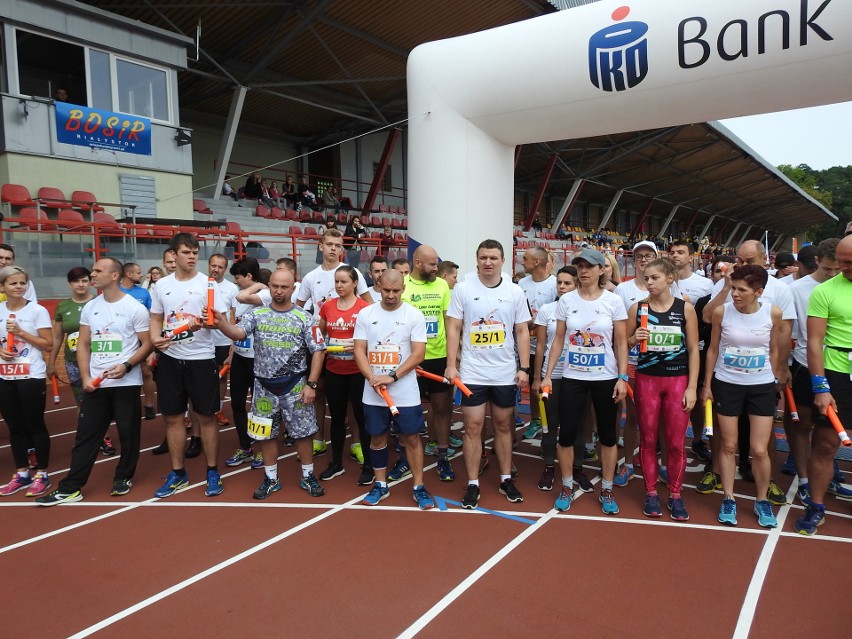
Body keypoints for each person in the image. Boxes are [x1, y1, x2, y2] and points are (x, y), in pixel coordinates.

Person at [36, 259, 152, 504]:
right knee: (86, 435)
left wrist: (126, 366)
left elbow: (148, 343)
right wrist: (86, 376)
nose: (92, 274)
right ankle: (71, 487)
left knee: (128, 433)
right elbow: (84, 344)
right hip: (97, 383)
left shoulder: (134, 308)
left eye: (98, 271)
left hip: (125, 383)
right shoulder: (91, 307)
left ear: (114, 276)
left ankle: (123, 476)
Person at [211, 269, 327, 500]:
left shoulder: (305, 317)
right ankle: (271, 478)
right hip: (264, 387)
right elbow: (237, 333)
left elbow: (318, 351)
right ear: (269, 286)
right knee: (266, 435)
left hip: (295, 386)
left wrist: (311, 385)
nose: (279, 291)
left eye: (284, 287)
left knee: (304, 435)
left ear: (293, 289)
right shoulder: (257, 314)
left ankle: (307, 475)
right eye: (275, 286)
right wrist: (222, 322)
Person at [702, 240, 793, 504]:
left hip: (761, 385)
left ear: (759, 292)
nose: (736, 294)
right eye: (734, 289)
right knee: (728, 445)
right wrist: (707, 384)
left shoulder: (773, 310)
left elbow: (775, 346)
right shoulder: (722, 310)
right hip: (727, 382)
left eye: (742, 290)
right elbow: (713, 349)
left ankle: (762, 499)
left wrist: (777, 372)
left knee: (759, 448)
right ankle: (728, 498)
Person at [541, 249, 628, 513]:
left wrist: (622, 377)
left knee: (608, 436)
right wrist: (547, 375)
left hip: (606, 377)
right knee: (566, 434)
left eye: (589, 266)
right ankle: (567, 486)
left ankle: (608, 489)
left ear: (602, 270)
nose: (583, 271)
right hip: (573, 377)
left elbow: (621, 341)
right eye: (579, 266)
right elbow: (558, 340)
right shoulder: (566, 301)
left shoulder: (613, 301)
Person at [445, 239, 531, 508]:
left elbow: (522, 331)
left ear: (503, 261)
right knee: (472, 427)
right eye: (483, 257)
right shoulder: (463, 289)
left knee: (504, 426)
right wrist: (451, 364)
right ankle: (473, 483)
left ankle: (506, 478)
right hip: (472, 372)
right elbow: (454, 329)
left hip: (504, 372)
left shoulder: (514, 291)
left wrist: (524, 368)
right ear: (477, 259)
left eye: (493, 257)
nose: (488, 262)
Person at [149, 233, 228, 498]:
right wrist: (154, 338)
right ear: (174, 254)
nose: (192, 256)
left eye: (195, 252)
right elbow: (156, 318)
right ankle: (178, 472)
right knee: (173, 418)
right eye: (186, 252)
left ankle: (212, 470)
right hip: (171, 359)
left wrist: (206, 321)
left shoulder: (208, 284)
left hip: (201, 359)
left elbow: (219, 320)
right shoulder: (161, 285)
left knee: (206, 417)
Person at [353, 269, 434, 508]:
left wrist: (392, 376)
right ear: (378, 286)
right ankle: (380, 484)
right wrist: (372, 377)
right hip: (373, 391)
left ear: (403, 289)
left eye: (396, 291)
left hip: (405, 391)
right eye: (386, 290)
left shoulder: (414, 315)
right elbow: (359, 349)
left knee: (411, 437)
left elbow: (419, 353)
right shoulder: (366, 314)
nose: (391, 295)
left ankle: (419, 486)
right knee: (377, 438)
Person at [628, 259, 699, 520]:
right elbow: (623, 343)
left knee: (675, 442)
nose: (650, 283)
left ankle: (676, 496)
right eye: (646, 278)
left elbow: (693, 349)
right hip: (647, 380)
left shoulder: (685, 309)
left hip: (677, 380)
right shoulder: (638, 308)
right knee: (647, 440)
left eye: (655, 277)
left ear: (670, 278)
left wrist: (692, 387)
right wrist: (633, 339)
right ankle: (650, 493)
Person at [795, 235, 852, 534]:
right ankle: (816, 506)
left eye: (850, 262)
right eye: (842, 262)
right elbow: (814, 341)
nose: (844, 268)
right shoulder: (825, 291)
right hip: (837, 373)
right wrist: (820, 386)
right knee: (826, 444)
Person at [296, 227, 371, 456]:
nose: (334, 249)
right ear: (321, 246)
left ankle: (357, 443)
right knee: (318, 393)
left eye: (338, 246)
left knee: (352, 398)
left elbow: (369, 308)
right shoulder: (311, 277)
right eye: (329, 244)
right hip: (322, 346)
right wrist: (310, 332)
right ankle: (318, 439)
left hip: (351, 347)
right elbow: (298, 309)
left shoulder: (353, 272)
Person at [784, 239, 844, 504]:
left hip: (837, 368)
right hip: (802, 365)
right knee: (801, 424)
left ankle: (827, 473)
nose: (833, 274)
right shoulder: (797, 289)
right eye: (829, 268)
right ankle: (805, 479)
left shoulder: (844, 285)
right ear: (817, 261)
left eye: (838, 269)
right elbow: (787, 333)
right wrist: (783, 367)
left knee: (829, 431)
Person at [401, 245, 456, 481]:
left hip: (439, 357)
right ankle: (405, 460)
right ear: (418, 263)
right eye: (433, 264)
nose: (436, 268)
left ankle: (443, 457)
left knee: (442, 408)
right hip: (411, 359)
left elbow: (449, 322)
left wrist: (453, 358)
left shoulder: (442, 285)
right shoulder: (403, 286)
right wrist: (409, 359)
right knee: (407, 411)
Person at [532, 266, 589, 491]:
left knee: (577, 425)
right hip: (552, 375)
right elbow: (540, 346)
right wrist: (537, 378)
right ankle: (548, 467)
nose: (562, 288)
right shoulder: (547, 310)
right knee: (550, 424)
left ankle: (577, 469)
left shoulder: (586, 309)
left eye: (568, 283)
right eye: (560, 283)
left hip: (577, 375)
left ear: (577, 285)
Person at [0, 266, 54, 497]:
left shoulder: (37, 311)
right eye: (13, 283)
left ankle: (42, 474)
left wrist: (21, 333)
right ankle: (21, 473)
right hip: (5, 375)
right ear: (2, 287)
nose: (18, 287)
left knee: (35, 424)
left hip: (31, 374)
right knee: (14, 426)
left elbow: (48, 344)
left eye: (22, 283)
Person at [317, 265, 373, 484]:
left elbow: (373, 339)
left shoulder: (364, 308)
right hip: (334, 371)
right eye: (337, 282)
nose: (339, 286)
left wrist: (359, 346)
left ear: (355, 283)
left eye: (344, 282)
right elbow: (320, 332)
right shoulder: (328, 307)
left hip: (358, 372)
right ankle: (336, 463)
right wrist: (323, 344)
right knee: (338, 418)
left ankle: (368, 465)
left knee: (362, 417)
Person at [612, 240, 660, 487]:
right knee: (632, 416)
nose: (643, 259)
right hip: (632, 362)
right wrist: (631, 342)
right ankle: (628, 463)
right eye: (639, 255)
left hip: (661, 364)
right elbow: (620, 334)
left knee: (657, 418)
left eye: (648, 255)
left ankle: (654, 461)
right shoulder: (623, 290)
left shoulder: (669, 289)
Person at [223, 258, 267, 469]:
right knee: (237, 404)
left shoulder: (264, 294)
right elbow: (237, 326)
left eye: (238, 277)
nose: (235, 281)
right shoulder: (243, 297)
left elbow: (241, 295)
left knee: (258, 407)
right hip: (240, 357)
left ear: (249, 276)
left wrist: (259, 284)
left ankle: (261, 449)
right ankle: (245, 446)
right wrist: (232, 353)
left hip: (257, 359)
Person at [518, 247, 556, 439]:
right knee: (533, 384)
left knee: (549, 386)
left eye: (525, 259)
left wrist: (535, 324)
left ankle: (551, 421)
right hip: (527, 345)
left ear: (537, 262)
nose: (521, 262)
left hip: (548, 346)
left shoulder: (555, 284)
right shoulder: (521, 283)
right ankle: (535, 420)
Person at [208, 253, 239, 428]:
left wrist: (233, 344)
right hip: (203, 342)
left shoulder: (231, 289)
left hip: (223, 341)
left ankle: (218, 410)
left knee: (221, 377)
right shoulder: (201, 284)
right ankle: (189, 413)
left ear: (225, 269)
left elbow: (234, 317)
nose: (216, 269)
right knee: (199, 377)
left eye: (220, 267)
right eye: (213, 265)